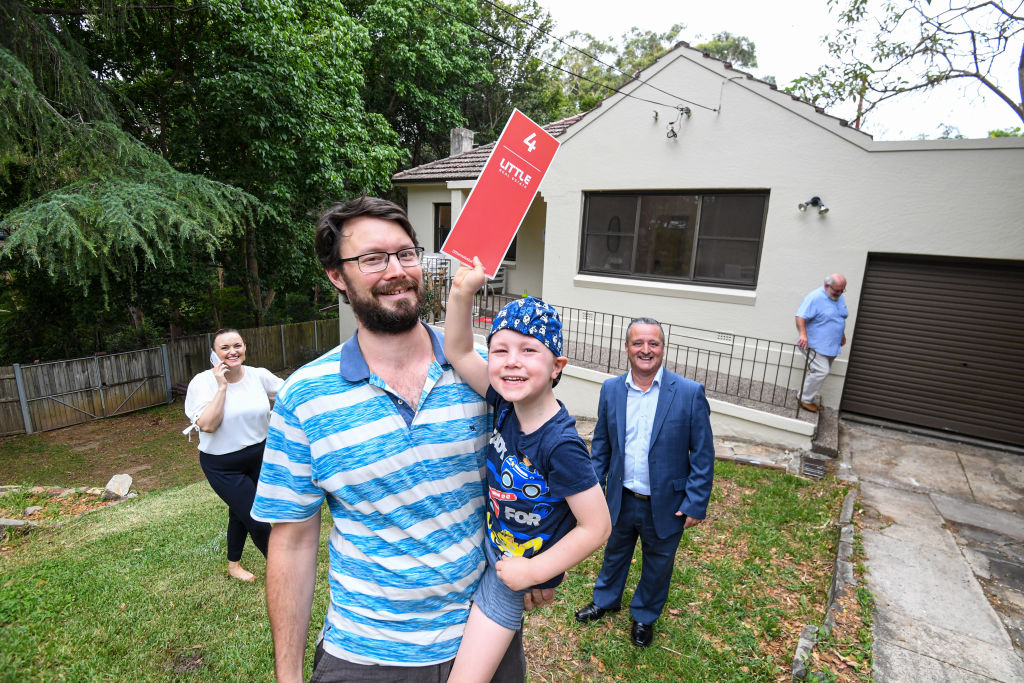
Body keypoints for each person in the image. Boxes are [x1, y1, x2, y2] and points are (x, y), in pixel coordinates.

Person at [250, 196, 553, 683]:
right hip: (366, 653)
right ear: (336, 276)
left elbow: (536, 463)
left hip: (482, 634)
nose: (397, 270)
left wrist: (536, 552)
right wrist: (287, 675)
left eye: (406, 254)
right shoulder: (303, 397)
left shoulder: (485, 373)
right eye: (372, 259)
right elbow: (293, 543)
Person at [444, 259, 611, 683]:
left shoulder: (562, 445)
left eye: (528, 350)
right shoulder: (504, 402)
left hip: (510, 576)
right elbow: (460, 351)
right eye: (500, 350)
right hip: (482, 548)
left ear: (558, 365)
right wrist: (462, 293)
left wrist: (536, 572)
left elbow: (597, 526)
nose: (511, 362)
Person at [574, 317, 715, 648]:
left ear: (663, 349)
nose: (646, 350)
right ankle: (606, 600)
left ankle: (644, 616)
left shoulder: (688, 393)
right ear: (627, 348)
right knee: (614, 553)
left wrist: (695, 502)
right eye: (638, 343)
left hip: (666, 503)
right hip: (620, 497)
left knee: (658, 564)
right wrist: (593, 492)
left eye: (653, 343)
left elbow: (703, 454)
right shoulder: (611, 390)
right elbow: (602, 447)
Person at [183, 328, 283, 582]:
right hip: (222, 465)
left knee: (239, 513)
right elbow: (207, 425)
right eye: (224, 348)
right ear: (214, 354)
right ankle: (284, 571)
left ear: (245, 347)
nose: (232, 352)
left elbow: (291, 396)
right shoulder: (202, 383)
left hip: (259, 456)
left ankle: (234, 566)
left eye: (236, 345)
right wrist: (222, 387)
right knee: (256, 518)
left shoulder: (258, 376)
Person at [795, 273, 849, 412]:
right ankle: (804, 399)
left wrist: (841, 334)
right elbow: (800, 316)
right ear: (827, 286)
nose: (839, 293)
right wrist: (803, 335)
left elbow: (839, 316)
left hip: (831, 345)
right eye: (836, 290)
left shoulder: (839, 297)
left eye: (842, 290)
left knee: (818, 371)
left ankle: (806, 397)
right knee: (821, 371)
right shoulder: (815, 297)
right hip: (814, 344)